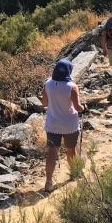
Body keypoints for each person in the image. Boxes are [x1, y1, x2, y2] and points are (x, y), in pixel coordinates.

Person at [41, 59, 85, 193]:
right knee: (71, 150)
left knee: (52, 153)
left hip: (52, 124)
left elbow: (44, 103)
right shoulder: (72, 86)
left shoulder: (47, 83)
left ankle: (48, 182)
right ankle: (74, 173)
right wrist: (84, 107)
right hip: (69, 125)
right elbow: (77, 108)